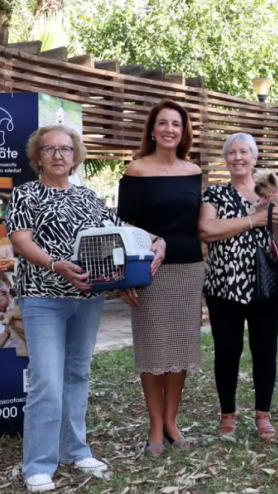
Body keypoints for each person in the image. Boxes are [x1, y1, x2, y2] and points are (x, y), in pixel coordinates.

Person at [7, 124, 165, 492]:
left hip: (88, 299)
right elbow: (20, 241)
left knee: (77, 375)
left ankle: (75, 450)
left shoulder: (89, 198)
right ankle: (38, 465)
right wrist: (55, 264)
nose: (59, 155)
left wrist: (157, 240)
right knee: (46, 380)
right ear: (37, 157)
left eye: (66, 149)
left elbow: (121, 229)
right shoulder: (26, 195)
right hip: (43, 298)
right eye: (50, 149)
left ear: (75, 157)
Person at [118, 100, 203, 454]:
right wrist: (129, 271)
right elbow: (122, 224)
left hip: (189, 269)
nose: (170, 129)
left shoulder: (194, 170)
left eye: (177, 124)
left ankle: (171, 421)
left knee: (180, 347)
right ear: (152, 129)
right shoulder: (136, 171)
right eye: (163, 123)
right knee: (153, 348)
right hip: (148, 270)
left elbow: (198, 222)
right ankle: (155, 424)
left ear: (184, 132)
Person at [198, 133, 278, 441]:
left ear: (254, 157)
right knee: (227, 351)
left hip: (266, 284)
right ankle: (228, 416)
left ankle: (263, 415)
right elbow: (207, 230)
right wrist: (251, 220)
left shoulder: (270, 193)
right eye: (231, 152)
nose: (237, 157)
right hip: (225, 285)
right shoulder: (215, 194)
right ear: (225, 159)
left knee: (265, 351)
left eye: (244, 152)